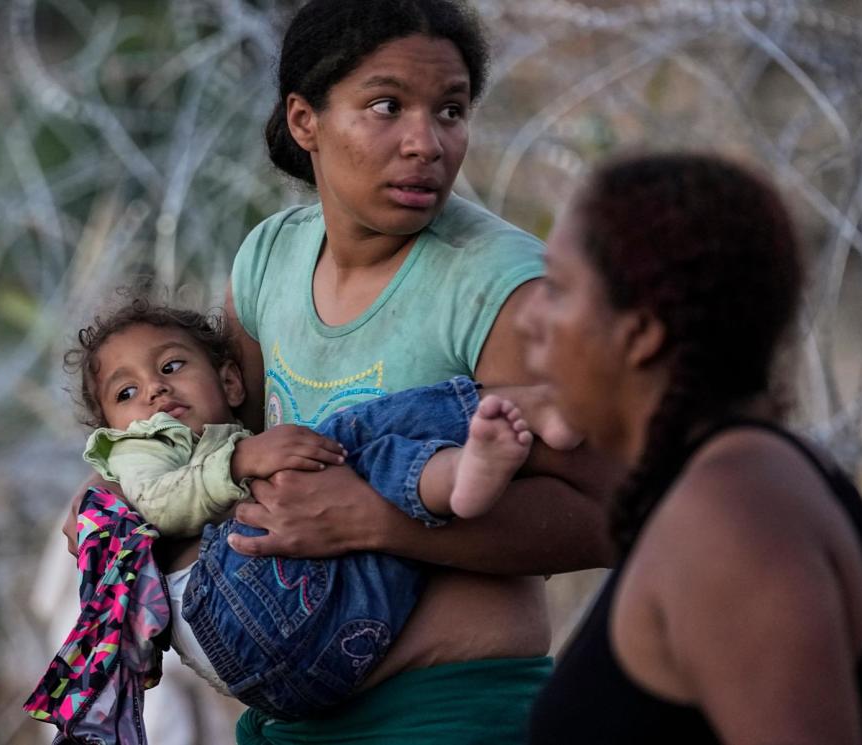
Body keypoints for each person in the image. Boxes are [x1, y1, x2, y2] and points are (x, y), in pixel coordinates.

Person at [73, 0, 613, 740]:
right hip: (296, 711)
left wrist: (378, 521)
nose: (425, 142)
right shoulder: (269, 261)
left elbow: (606, 518)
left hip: (448, 710)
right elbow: (230, 457)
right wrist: (122, 501)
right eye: (387, 106)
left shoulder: (501, 285)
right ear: (305, 120)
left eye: (450, 110)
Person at [522, 153, 862, 744]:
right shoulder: (777, 487)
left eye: (558, 291)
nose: (529, 322)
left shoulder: (730, 523)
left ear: (641, 333)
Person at [51, 298, 568, 722]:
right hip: (225, 609)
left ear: (231, 384)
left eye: (171, 366)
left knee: (356, 478)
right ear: (111, 436)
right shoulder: (141, 450)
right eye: (127, 391)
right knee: (340, 438)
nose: (155, 390)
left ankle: (458, 477)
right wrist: (238, 462)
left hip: (313, 658)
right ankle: (506, 420)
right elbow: (159, 504)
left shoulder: (221, 438)